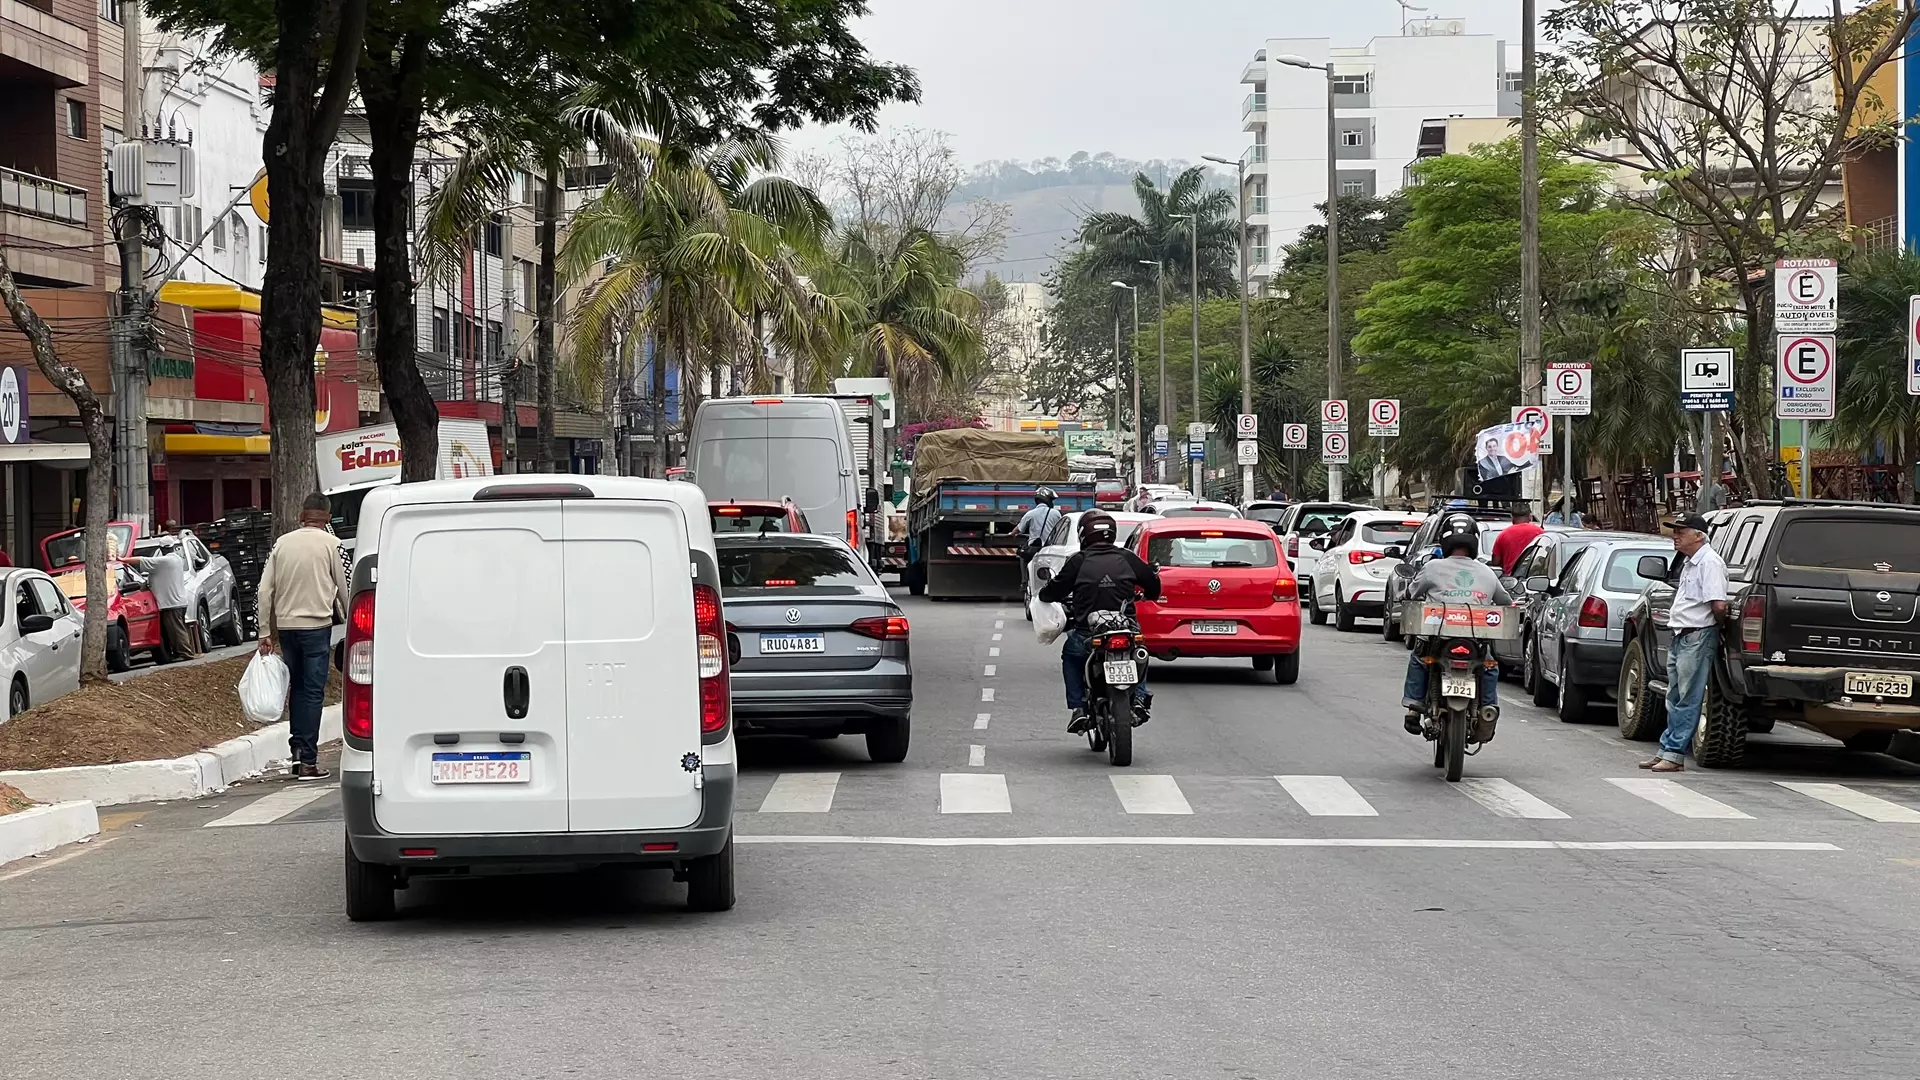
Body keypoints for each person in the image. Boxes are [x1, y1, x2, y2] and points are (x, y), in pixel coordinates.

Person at [1038, 509, 1160, 734]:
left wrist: (1049, 594)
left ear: (1083, 534)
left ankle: (1079, 708)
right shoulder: (1126, 557)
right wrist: (1148, 594)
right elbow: (1153, 584)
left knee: (1071, 656)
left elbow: (1051, 592)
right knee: (1140, 652)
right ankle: (1140, 698)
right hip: (1126, 629)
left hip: (1088, 634)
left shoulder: (1078, 561)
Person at [256, 493, 350, 781]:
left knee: (297, 690)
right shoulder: (333, 545)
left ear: (301, 517)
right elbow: (347, 586)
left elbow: (263, 590)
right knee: (312, 692)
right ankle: (307, 760)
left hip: (287, 629)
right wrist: (351, 623)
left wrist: (264, 631)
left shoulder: (281, 544)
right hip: (316, 628)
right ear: (328, 518)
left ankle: (297, 752)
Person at [1401, 514, 1511, 734]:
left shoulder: (1432, 567)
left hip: (1437, 636)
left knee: (1420, 658)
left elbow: (1411, 593)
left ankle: (1414, 707)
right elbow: (1505, 602)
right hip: (1475, 639)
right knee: (1488, 666)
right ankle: (1488, 708)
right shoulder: (1486, 571)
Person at [1641, 513, 1728, 773]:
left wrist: (1716, 628)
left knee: (1688, 698)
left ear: (1698, 535)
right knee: (1674, 695)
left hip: (1698, 635)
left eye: (1681, 530)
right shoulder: (1690, 562)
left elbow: (1719, 605)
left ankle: (1675, 754)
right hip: (1682, 634)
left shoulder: (1709, 563)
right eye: (1674, 530)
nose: (1675, 535)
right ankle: (1666, 748)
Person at [127, 539, 201, 660]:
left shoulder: (164, 561)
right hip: (177, 602)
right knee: (172, 630)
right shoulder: (176, 560)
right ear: (172, 547)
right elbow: (153, 579)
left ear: (161, 549)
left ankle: (186, 654)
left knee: (176, 631)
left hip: (171, 603)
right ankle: (176, 653)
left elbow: (141, 560)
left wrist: (121, 559)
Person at [1489, 507, 1543, 575]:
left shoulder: (1503, 534)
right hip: (1535, 577)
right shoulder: (1540, 532)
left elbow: (1495, 562)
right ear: (1530, 517)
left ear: (1512, 518)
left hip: (1511, 579)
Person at [1015, 486, 1062, 565]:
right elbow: (1061, 529)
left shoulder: (1030, 513)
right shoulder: (1056, 513)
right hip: (1050, 551)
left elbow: (1017, 530)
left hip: (1033, 552)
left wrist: (1011, 534)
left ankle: (1025, 577)